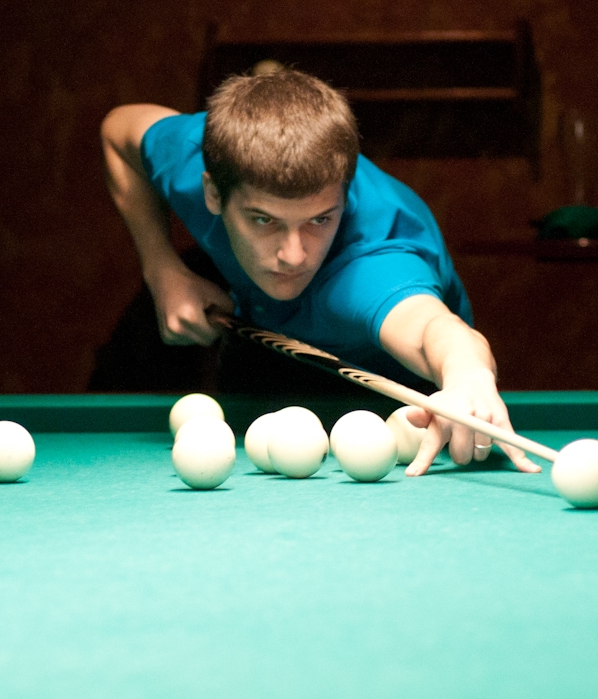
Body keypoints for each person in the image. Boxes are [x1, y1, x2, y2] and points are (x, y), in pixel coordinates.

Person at [100, 66, 530, 476]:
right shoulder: (193, 159)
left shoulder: (371, 262)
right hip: (268, 343)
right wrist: (161, 269)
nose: (294, 255)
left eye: (320, 219)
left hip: (396, 394)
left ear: (344, 194)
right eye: (264, 220)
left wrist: (468, 376)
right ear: (213, 192)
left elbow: (430, 327)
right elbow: (118, 130)